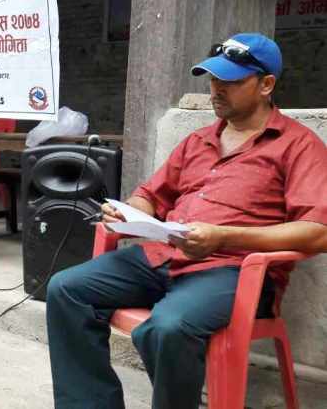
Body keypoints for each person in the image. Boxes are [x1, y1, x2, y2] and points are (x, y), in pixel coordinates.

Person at [46, 33, 327, 409]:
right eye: (212, 80)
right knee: (66, 289)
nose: (216, 90)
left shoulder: (298, 145)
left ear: (266, 85)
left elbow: (318, 232)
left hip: (232, 272)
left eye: (230, 82)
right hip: (162, 257)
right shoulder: (197, 141)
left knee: (167, 328)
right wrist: (129, 212)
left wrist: (223, 237)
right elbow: (149, 195)